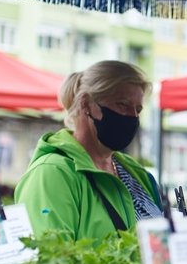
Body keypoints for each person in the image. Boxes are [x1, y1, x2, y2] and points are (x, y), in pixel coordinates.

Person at [15, 60, 162, 240]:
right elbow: (51, 260)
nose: (132, 116)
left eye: (138, 109)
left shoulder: (135, 173)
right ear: (86, 104)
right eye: (122, 104)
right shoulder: (52, 174)